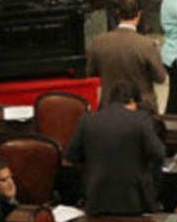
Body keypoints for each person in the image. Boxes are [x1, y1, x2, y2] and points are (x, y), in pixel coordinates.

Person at [65, 80, 166, 216]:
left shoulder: (87, 120)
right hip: (135, 200)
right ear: (132, 101)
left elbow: (71, 155)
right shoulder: (141, 119)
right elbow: (159, 154)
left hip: (95, 197)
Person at [87, 0, 167, 112]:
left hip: (108, 107)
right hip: (141, 109)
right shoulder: (147, 45)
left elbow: (90, 73)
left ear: (117, 13)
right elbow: (160, 77)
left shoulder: (98, 42)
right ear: (139, 14)